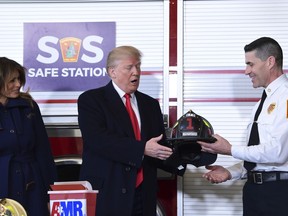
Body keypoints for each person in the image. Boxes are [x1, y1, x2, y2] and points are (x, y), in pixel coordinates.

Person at [78, 45, 185, 216]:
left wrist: (192, 158)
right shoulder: (91, 100)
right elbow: (97, 140)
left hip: (143, 195)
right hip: (109, 193)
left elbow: (158, 147)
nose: (136, 72)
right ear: (112, 72)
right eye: (129, 67)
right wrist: (142, 148)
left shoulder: (150, 104)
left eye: (138, 66)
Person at [198, 37, 288, 216]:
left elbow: (277, 153)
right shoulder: (262, 103)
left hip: (278, 195)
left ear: (270, 62)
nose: (247, 71)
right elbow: (260, 157)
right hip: (255, 193)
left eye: (251, 64)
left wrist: (229, 149)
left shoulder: (285, 97)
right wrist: (231, 172)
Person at [0, 57, 57, 215]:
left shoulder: (29, 106)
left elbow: (43, 152)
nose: (18, 84)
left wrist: (50, 194)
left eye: (19, 79)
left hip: (32, 184)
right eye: (12, 80)